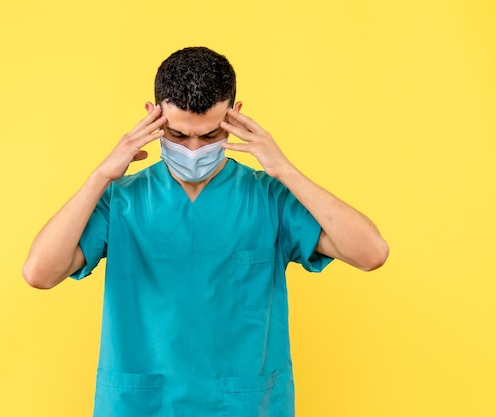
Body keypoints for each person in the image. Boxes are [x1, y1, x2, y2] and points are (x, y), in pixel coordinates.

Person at [22, 46, 389, 417]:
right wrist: (99, 176)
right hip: (143, 405)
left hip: (243, 405)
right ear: (153, 118)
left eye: (210, 135)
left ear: (234, 116)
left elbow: (371, 252)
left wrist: (286, 171)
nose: (194, 150)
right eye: (178, 136)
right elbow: (40, 273)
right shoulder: (121, 200)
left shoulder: (269, 197)